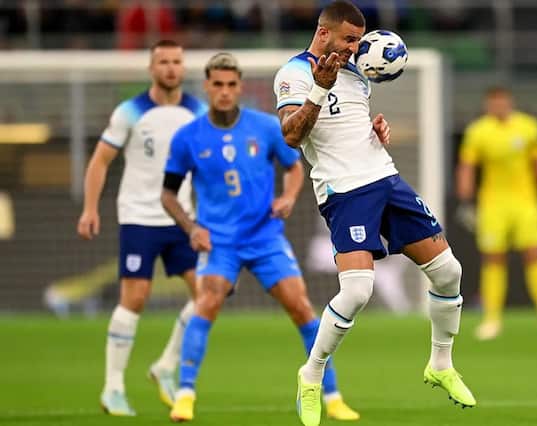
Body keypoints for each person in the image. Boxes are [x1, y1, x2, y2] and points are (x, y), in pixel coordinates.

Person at [273, 1, 476, 425]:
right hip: (345, 193)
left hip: (385, 179)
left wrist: (374, 131)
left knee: (448, 272)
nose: (355, 47)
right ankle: (311, 375)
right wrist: (319, 89)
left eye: (359, 40)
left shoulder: (358, 73)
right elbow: (291, 135)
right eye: (349, 39)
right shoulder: (294, 74)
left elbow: (345, 127)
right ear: (323, 33)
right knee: (357, 292)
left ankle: (440, 364)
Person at [161, 52, 359, 423]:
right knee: (206, 303)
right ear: (207, 88)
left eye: (231, 84)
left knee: (301, 308)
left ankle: (332, 396)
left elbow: (294, 168)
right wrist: (192, 228)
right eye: (217, 84)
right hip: (219, 241)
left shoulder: (266, 127)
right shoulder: (188, 137)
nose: (224, 91)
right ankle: (184, 394)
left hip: (265, 238)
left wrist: (288, 197)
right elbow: (168, 194)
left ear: (239, 88)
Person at [76, 39, 207, 416]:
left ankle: (165, 366)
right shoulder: (130, 111)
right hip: (139, 217)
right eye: (163, 62)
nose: (170, 68)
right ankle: (113, 387)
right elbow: (100, 161)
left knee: (207, 296)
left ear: (183, 67)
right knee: (135, 297)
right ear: (151, 68)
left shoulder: (197, 111)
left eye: (176, 61)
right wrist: (89, 208)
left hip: (181, 218)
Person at [455, 86, 537, 340]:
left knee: (536, 255)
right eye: (494, 103)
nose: (499, 107)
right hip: (493, 204)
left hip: (526, 203)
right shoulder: (478, 131)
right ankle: (491, 319)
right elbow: (467, 167)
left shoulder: (528, 127)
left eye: (503, 102)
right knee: (493, 258)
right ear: (488, 106)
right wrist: (465, 201)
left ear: (510, 103)